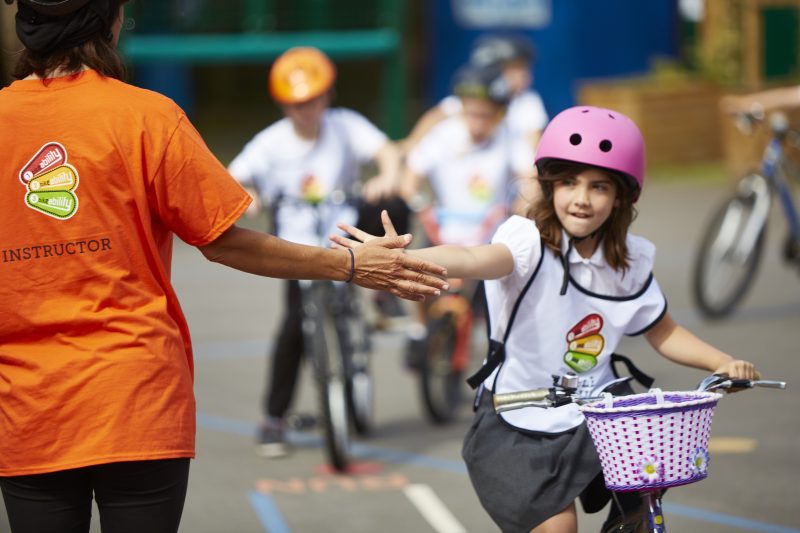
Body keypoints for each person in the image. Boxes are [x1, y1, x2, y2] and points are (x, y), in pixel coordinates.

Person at [0, 2, 447, 532]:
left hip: (27, 406)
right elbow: (224, 241)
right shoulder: (147, 116)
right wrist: (349, 263)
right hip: (134, 398)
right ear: (112, 22)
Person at [333, 105, 757, 533]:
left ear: (622, 196)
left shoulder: (629, 261)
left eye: (599, 186)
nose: (582, 198)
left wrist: (720, 362)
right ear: (549, 186)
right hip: (516, 421)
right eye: (569, 182)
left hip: (598, 417)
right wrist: (405, 257)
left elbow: (663, 332)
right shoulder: (527, 243)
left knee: (645, 510)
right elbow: (469, 256)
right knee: (557, 529)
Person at [226, 45, 409, 458]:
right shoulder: (269, 144)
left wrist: (388, 174)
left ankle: (386, 293)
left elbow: (386, 151)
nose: (306, 110)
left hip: (345, 237)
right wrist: (248, 194)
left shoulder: (344, 126)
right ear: (283, 104)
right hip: (298, 251)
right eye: (296, 103)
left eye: (313, 99)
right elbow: (231, 178)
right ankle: (274, 417)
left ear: (327, 96)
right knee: (294, 327)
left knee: (394, 203)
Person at [399, 61, 532, 364]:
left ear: (499, 114)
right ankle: (419, 328)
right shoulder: (443, 136)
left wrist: (522, 207)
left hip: (490, 229)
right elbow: (410, 179)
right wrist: (421, 204)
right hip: (443, 225)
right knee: (411, 270)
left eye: (487, 115)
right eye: (471, 112)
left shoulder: (510, 137)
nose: (478, 122)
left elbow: (528, 179)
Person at [402, 33, 548, 161]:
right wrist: (412, 144)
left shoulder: (528, 102)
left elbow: (532, 150)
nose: (525, 76)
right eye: (515, 69)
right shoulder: (475, 99)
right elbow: (435, 116)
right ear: (491, 67)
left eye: (525, 69)